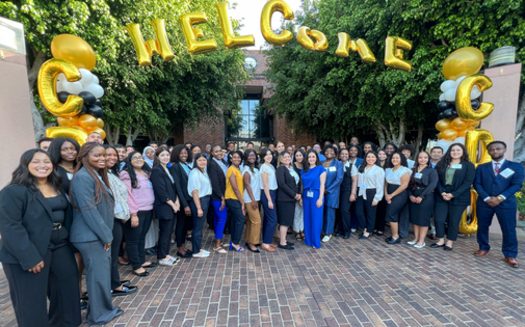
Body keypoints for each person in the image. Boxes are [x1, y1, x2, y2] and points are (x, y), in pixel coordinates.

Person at [0, 149, 81, 327]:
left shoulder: (57, 186)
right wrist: (29, 257)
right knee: (31, 302)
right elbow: (10, 226)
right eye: (36, 161)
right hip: (29, 249)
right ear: (26, 164)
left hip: (60, 245)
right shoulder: (14, 191)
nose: (42, 165)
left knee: (66, 291)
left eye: (47, 161)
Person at [69, 143, 123, 325]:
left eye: (104, 156)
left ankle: (103, 310)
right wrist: (106, 236)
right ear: (84, 156)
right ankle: (98, 316)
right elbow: (88, 210)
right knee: (97, 277)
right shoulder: (83, 177)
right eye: (97, 156)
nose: (103, 159)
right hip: (91, 236)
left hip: (96, 235)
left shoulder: (95, 175)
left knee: (100, 276)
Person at [473, 141, 525, 268]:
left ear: (505, 150)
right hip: (485, 203)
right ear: (488, 151)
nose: (495, 151)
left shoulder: (516, 166)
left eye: (498, 149)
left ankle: (510, 254)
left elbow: (517, 185)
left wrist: (500, 198)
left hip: (506, 203)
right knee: (483, 226)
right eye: (492, 149)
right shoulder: (481, 167)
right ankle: (483, 247)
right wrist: (486, 198)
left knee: (509, 229)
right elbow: (477, 184)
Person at [104, 145, 137, 296]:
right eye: (107, 155)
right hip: (110, 219)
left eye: (114, 155)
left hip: (116, 219)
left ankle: (114, 281)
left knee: (113, 253)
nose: (112, 157)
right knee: (110, 255)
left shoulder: (110, 172)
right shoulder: (99, 175)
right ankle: (113, 286)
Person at [432, 143, 475, 251]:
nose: (455, 152)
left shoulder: (468, 165)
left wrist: (453, 194)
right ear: (449, 152)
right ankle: (440, 240)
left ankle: (450, 242)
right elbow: (436, 179)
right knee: (439, 219)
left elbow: (468, 183)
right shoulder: (442, 164)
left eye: (458, 150)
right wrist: (442, 192)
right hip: (441, 196)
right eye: (453, 150)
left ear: (463, 152)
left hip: (459, 198)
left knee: (453, 221)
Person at [120, 151, 156, 276]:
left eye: (140, 157)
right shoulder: (126, 173)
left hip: (148, 209)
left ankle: (141, 261)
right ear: (129, 161)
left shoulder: (145, 172)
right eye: (134, 158)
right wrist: (133, 214)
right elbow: (127, 194)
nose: (138, 159)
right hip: (136, 211)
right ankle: (136, 265)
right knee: (133, 239)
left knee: (141, 237)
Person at [150, 147, 181, 266]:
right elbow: (161, 191)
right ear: (157, 157)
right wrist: (173, 204)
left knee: (169, 232)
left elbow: (173, 188)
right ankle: (162, 257)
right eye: (162, 155)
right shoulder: (156, 170)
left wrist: (177, 200)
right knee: (164, 232)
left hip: (172, 205)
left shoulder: (167, 169)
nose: (165, 157)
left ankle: (166, 254)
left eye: (167, 155)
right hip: (164, 206)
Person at [408, 151, 438, 248]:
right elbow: (408, 184)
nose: (422, 159)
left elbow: (432, 185)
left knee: (423, 219)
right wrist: (411, 196)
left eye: (425, 157)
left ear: (428, 159)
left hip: (426, 196)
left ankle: (421, 241)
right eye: (420, 157)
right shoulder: (413, 170)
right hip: (414, 195)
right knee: (415, 218)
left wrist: (421, 196)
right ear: (417, 158)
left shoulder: (432, 171)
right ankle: (416, 238)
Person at [169, 145, 194, 258]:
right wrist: (185, 205)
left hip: (189, 200)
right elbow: (178, 187)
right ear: (176, 154)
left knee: (185, 226)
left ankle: (183, 246)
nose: (184, 155)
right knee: (180, 225)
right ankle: (179, 249)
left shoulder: (186, 165)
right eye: (181, 153)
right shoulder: (175, 167)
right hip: (183, 202)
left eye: (186, 153)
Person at [187, 153, 212, 257]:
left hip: (205, 199)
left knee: (200, 226)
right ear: (195, 162)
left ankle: (199, 248)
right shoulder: (195, 173)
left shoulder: (203, 171)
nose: (202, 162)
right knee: (197, 227)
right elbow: (195, 192)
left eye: (204, 160)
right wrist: (199, 208)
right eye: (200, 160)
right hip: (199, 201)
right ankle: (196, 251)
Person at [383, 152, 411, 244]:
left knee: (391, 214)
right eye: (393, 158)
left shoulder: (405, 170)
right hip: (389, 193)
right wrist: (386, 194)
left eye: (397, 158)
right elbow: (386, 184)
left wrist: (391, 195)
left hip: (400, 194)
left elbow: (404, 185)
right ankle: (394, 234)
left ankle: (395, 237)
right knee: (390, 214)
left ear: (402, 159)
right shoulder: (388, 170)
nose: (394, 159)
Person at [300, 150, 326, 249]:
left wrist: (320, 198)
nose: (311, 159)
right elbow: (302, 185)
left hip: (316, 194)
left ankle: (315, 242)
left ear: (316, 158)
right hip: (306, 195)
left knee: (316, 219)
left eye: (313, 157)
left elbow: (323, 184)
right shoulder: (304, 170)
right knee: (307, 218)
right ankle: (308, 240)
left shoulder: (320, 169)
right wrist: (301, 197)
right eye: (309, 157)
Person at [355, 151, 385, 239]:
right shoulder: (361, 167)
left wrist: (377, 198)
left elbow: (380, 185)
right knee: (358, 211)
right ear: (365, 158)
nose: (370, 159)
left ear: (376, 158)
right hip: (361, 191)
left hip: (372, 192)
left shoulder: (379, 170)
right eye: (368, 157)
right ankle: (365, 227)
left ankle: (369, 230)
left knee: (370, 213)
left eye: (373, 157)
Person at [276, 151, 302, 250]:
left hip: (291, 199)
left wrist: (299, 193)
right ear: (281, 159)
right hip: (284, 199)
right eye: (285, 157)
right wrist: (294, 194)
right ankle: (282, 242)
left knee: (287, 221)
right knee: (284, 221)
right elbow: (282, 184)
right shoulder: (281, 169)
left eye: (289, 156)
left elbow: (297, 182)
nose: (287, 158)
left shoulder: (292, 168)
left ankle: (284, 240)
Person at [320, 145, 343, 243]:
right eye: (327, 150)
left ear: (335, 153)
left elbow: (339, 179)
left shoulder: (338, 164)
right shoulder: (320, 163)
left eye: (331, 150)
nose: (329, 152)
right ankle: (321, 230)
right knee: (321, 212)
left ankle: (328, 233)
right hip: (320, 191)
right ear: (323, 152)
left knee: (330, 213)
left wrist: (328, 189)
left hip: (332, 192)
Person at [208, 145, 228, 253]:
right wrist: (222, 197)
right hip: (218, 196)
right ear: (212, 153)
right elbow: (215, 183)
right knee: (222, 218)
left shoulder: (222, 163)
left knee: (217, 218)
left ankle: (218, 240)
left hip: (221, 195)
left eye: (220, 151)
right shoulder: (212, 164)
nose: (219, 153)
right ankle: (217, 245)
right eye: (216, 151)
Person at [225, 151, 246, 252]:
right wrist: (242, 203)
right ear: (231, 159)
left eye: (239, 157)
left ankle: (233, 242)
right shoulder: (231, 169)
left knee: (235, 220)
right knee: (241, 219)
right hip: (232, 198)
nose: (237, 159)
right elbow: (235, 188)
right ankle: (235, 243)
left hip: (236, 198)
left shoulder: (238, 169)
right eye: (235, 157)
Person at [243, 149, 262, 252]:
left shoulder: (254, 168)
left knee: (251, 221)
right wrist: (253, 200)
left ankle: (248, 239)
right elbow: (247, 185)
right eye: (249, 155)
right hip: (250, 199)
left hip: (255, 198)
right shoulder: (246, 170)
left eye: (253, 155)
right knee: (257, 221)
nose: (252, 157)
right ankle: (252, 243)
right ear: (246, 157)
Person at [260, 148, 279, 252]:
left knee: (268, 219)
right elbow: (265, 185)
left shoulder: (271, 166)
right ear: (263, 156)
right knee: (273, 219)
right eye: (266, 154)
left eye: (270, 154)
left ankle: (267, 240)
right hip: (268, 194)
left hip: (273, 193)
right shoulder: (264, 167)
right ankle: (266, 243)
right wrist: (269, 200)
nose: (269, 156)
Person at [337, 148, 359, 239]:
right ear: (339, 155)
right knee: (338, 211)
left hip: (347, 190)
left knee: (344, 210)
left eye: (346, 154)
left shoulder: (352, 166)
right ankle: (340, 230)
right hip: (337, 191)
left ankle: (347, 231)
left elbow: (354, 181)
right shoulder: (336, 165)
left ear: (348, 155)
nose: (344, 155)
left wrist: (353, 193)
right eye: (342, 154)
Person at [428, 146, 444, 240]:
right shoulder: (426, 163)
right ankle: (428, 229)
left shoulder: (445, 164)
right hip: (427, 191)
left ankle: (434, 231)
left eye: (439, 152)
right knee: (428, 212)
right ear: (430, 153)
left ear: (442, 154)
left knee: (436, 213)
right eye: (434, 152)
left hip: (440, 192)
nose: (436, 154)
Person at [292, 149, 306, 241]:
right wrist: (298, 194)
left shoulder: (306, 166)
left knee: (303, 213)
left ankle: (302, 230)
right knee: (297, 212)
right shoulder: (292, 166)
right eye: (297, 155)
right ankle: (297, 231)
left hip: (306, 192)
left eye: (300, 155)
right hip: (296, 192)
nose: (299, 157)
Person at [374, 149, 389, 235]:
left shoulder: (389, 166)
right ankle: (375, 227)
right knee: (375, 209)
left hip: (384, 190)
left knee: (382, 210)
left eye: (384, 154)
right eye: (379, 154)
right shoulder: (375, 164)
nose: (381, 156)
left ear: (386, 156)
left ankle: (381, 228)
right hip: (375, 189)